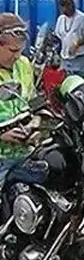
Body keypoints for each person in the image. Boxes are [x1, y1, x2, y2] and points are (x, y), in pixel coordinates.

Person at [0, 13, 41, 193]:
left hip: (26, 152)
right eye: (13, 50)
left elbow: (34, 104)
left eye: (20, 50)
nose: (17, 56)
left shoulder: (24, 64)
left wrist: (34, 125)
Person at [54, 0, 84, 78]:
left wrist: (77, 44)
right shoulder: (60, 19)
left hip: (78, 59)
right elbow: (58, 36)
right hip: (64, 59)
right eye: (63, 6)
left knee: (78, 81)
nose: (66, 8)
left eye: (68, 5)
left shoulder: (82, 18)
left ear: (72, 4)